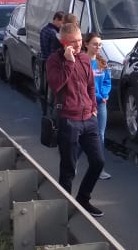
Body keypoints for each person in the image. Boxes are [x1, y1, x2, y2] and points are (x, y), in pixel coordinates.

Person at [45, 19, 105, 217]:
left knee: (98, 162)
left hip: (88, 118)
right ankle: (65, 207)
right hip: (68, 119)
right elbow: (56, 85)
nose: (78, 45)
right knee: (68, 167)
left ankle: (83, 199)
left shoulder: (86, 59)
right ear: (64, 43)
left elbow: (90, 85)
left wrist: (93, 107)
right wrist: (69, 62)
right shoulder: (54, 61)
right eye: (73, 42)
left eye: (80, 40)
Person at [83, 32, 112, 180]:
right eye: (95, 44)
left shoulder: (102, 62)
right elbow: (84, 86)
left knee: (100, 135)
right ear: (86, 44)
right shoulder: (82, 62)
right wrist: (99, 97)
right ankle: (71, 163)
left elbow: (107, 81)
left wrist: (105, 95)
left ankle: (99, 168)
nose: (98, 47)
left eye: (100, 44)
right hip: (87, 103)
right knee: (81, 134)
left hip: (101, 105)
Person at [37, 10, 65, 116]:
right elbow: (53, 51)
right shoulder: (53, 33)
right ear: (56, 19)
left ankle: (46, 111)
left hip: (44, 61)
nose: (62, 25)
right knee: (53, 89)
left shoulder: (44, 29)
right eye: (62, 22)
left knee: (46, 86)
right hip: (51, 63)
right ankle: (51, 111)